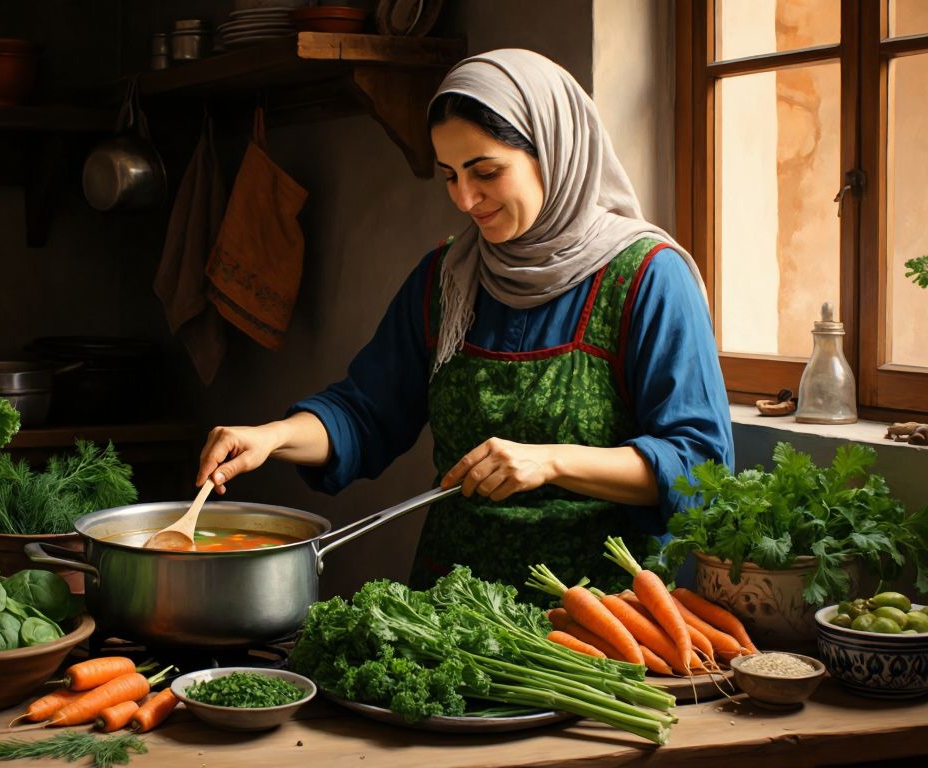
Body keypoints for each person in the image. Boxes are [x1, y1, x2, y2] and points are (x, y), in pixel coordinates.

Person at [195, 49, 734, 594]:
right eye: (450, 176)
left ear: (554, 152)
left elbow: (701, 465)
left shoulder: (648, 278)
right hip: (450, 610)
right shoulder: (447, 277)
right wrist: (272, 436)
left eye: (486, 171)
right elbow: (366, 412)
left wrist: (551, 463)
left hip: (598, 623)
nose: (465, 198)